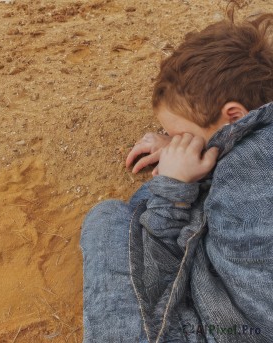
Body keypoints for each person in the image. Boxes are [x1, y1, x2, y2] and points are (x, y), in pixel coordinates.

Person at [80, 12, 273, 343]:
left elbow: (159, 272)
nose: (177, 143)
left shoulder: (241, 184)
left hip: (230, 328)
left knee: (107, 219)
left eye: (185, 135)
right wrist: (186, 141)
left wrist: (175, 186)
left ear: (234, 116)